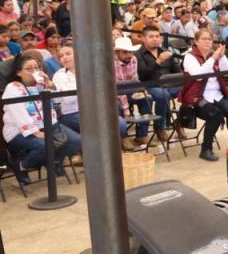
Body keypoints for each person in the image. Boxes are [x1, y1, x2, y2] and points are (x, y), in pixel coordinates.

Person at [3, 53, 82, 183]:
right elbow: (19, 115)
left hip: (49, 125)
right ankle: (22, 165)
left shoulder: (41, 84)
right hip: (20, 131)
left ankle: (54, 160)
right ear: (18, 72)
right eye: (29, 69)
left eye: (36, 67)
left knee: (76, 141)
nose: (34, 71)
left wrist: (49, 84)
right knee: (45, 145)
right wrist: (35, 132)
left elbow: (57, 101)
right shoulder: (13, 88)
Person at [52, 44, 133, 150]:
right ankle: (88, 153)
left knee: (120, 122)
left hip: (95, 109)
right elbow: (67, 100)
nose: (65, 58)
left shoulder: (90, 70)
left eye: (68, 54)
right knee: (99, 124)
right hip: (71, 113)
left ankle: (119, 144)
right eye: (61, 56)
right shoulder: (59, 75)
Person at [179, 28, 228, 161]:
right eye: (204, 39)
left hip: (217, 95)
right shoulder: (190, 57)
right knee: (215, 115)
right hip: (197, 97)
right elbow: (199, 77)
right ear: (196, 41)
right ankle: (206, 149)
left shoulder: (215, 55)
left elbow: (227, 71)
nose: (207, 42)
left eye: (209, 39)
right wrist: (213, 58)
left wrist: (222, 56)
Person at [135, 25, 181, 141]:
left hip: (168, 85)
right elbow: (142, 75)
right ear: (143, 38)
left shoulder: (166, 51)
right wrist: (158, 61)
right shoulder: (138, 54)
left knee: (191, 89)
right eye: (151, 36)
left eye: (157, 36)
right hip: (149, 86)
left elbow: (178, 72)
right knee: (163, 94)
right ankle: (160, 127)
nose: (155, 39)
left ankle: (180, 122)